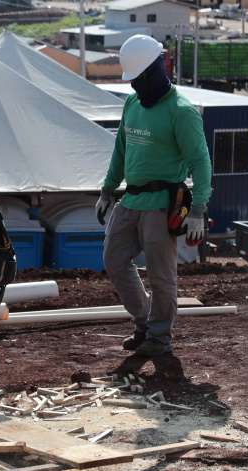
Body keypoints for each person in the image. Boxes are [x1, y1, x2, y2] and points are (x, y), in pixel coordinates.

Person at [96, 34, 212, 357]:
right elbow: (121, 148)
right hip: (130, 200)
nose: (133, 87)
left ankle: (159, 337)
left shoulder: (181, 111)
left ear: (153, 70)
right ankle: (145, 320)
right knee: (114, 258)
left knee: (162, 276)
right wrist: (108, 190)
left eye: (137, 80)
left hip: (162, 205)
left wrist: (199, 210)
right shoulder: (133, 103)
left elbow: (201, 163)